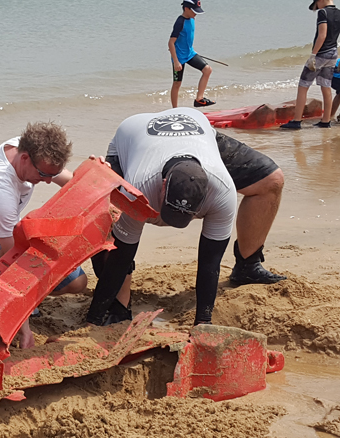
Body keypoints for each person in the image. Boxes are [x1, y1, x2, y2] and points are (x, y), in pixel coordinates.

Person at [86, 108, 286, 329]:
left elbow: (210, 262)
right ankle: (119, 307)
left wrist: (203, 324)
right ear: (162, 187)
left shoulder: (222, 189)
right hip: (134, 135)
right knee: (108, 216)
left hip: (194, 128)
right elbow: (121, 254)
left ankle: (248, 265)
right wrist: (94, 318)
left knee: (272, 181)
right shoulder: (140, 186)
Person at [0, 122, 87, 348]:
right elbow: (15, 259)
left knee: (77, 282)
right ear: (25, 159)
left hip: (3, 231)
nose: (46, 181)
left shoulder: (22, 148)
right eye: (43, 174)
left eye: (50, 175)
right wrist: (24, 326)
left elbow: (69, 183)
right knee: (19, 268)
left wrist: (93, 182)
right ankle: (2, 307)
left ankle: (27, 300)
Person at [281, 0, 340, 130]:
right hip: (333, 55)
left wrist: (313, 55)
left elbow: (322, 35)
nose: (316, 8)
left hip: (321, 54)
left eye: (316, 4)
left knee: (303, 86)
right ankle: (325, 121)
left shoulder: (323, 13)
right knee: (326, 87)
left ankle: (296, 121)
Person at [168, 0, 215, 109]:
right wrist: (176, 61)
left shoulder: (192, 18)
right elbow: (171, 43)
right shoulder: (180, 22)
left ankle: (199, 99)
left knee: (207, 70)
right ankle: (175, 109)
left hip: (190, 53)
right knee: (177, 84)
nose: (196, 13)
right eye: (194, 11)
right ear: (186, 9)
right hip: (179, 57)